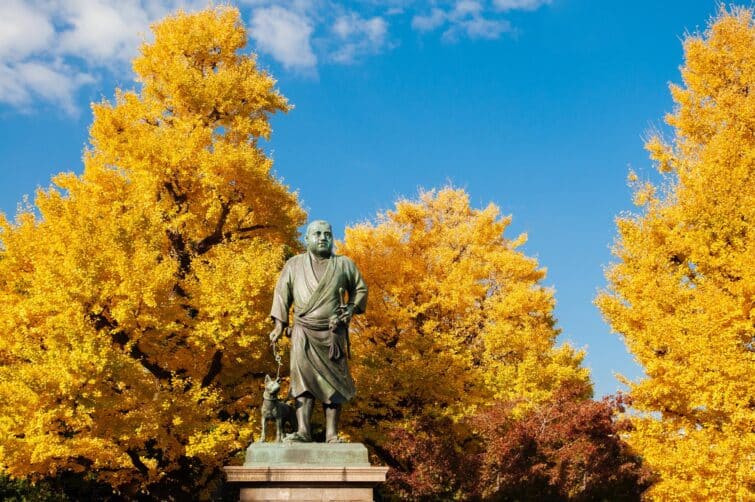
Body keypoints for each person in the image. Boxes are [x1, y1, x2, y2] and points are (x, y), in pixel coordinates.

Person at [269, 220, 367, 443]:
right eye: (317, 234)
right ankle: (303, 430)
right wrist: (279, 325)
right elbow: (281, 295)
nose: (323, 238)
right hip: (303, 330)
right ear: (307, 239)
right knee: (302, 381)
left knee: (333, 383)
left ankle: (332, 433)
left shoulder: (344, 264)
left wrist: (350, 308)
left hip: (333, 332)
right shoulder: (293, 265)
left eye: (327, 234)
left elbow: (360, 289)